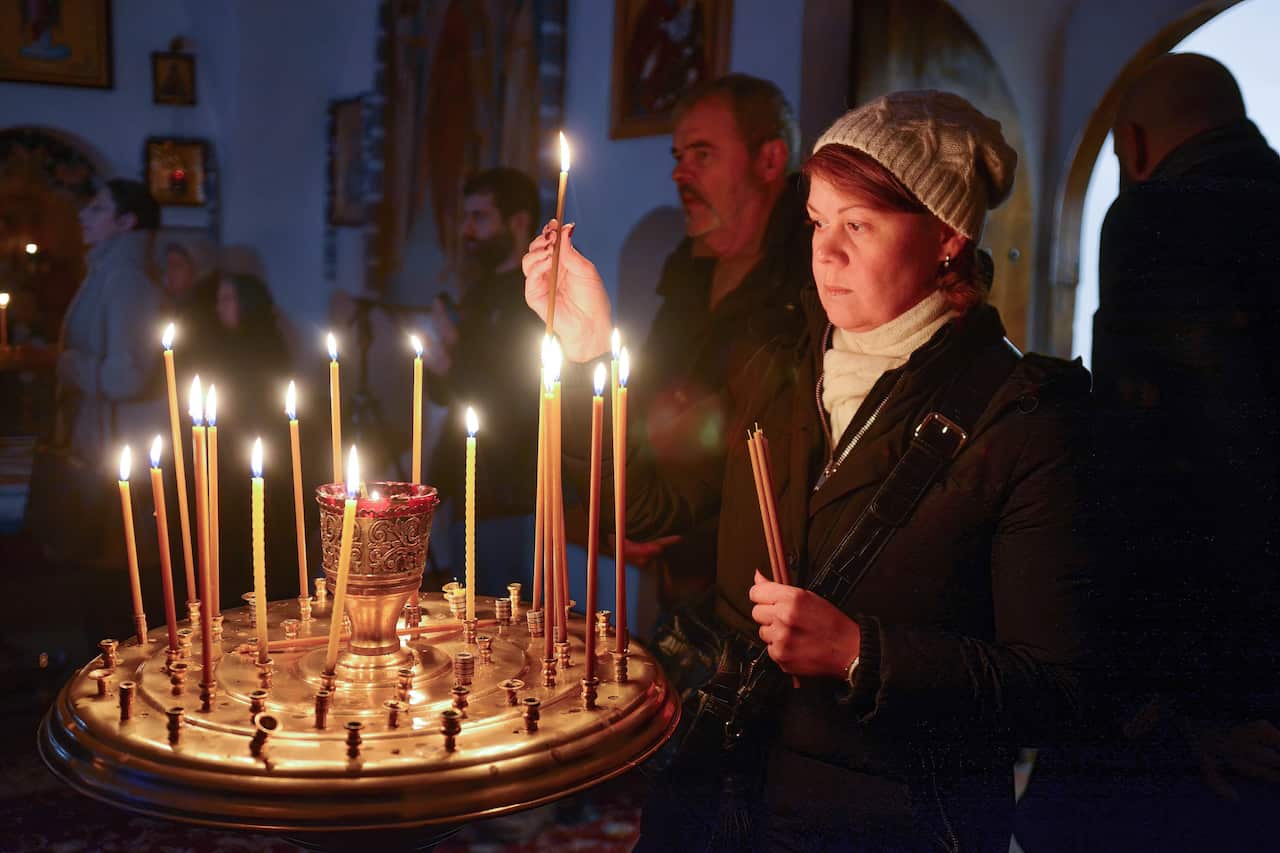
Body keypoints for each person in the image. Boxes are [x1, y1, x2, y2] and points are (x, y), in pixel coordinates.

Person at [525, 90, 1098, 849]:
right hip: (721, 797)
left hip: (888, 825)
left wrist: (861, 652)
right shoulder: (779, 365)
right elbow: (650, 506)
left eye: (858, 224)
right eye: (819, 222)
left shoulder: (1023, 419)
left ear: (947, 236)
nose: (826, 253)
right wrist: (586, 353)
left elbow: (1059, 691)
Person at [1088, 52, 1280, 849]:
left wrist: (1177, 703)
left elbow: (1145, 470)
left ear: (1133, 144)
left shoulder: (1155, 219)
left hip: (1216, 678)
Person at [626, 73, 811, 638]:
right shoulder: (687, 267)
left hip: (765, 589)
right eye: (678, 156)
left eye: (702, 154)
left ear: (769, 159)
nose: (680, 173)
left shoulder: (813, 272)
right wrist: (626, 505)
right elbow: (652, 388)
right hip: (670, 560)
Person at [32, 179, 166, 566]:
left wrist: (68, 363)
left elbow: (125, 377)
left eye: (97, 209)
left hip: (119, 443)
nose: (83, 216)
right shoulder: (107, 271)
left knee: (112, 561)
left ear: (126, 221)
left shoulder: (127, 280)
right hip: (102, 438)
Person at [426, 167, 544, 591]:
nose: (467, 230)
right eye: (466, 217)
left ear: (518, 221)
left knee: (504, 605)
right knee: (469, 598)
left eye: (480, 217)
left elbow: (514, 396)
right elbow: (452, 393)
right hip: (469, 476)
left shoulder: (537, 294)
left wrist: (452, 362)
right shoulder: (478, 291)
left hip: (511, 484)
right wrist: (439, 361)